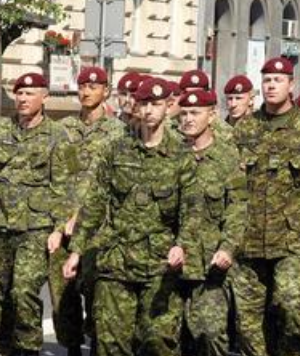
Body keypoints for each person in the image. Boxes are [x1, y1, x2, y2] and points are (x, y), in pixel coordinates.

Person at [63, 77, 199, 356]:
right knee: (111, 344)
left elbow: (192, 209)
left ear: (167, 106)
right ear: (136, 106)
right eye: (144, 104)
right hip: (116, 261)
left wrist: (182, 244)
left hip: (160, 266)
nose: (149, 110)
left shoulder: (181, 155)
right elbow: (95, 202)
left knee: (158, 342)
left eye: (156, 104)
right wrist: (77, 250)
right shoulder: (116, 150)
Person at [0, 72, 76, 356]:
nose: (22, 98)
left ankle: (29, 349)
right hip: (1, 226)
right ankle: (3, 350)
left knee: (23, 292)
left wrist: (59, 228)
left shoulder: (59, 136)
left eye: (30, 93)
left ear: (44, 97)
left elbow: (67, 186)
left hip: (37, 229)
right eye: (19, 93)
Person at [232, 57, 300, 356]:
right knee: (247, 322)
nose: (271, 86)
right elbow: (232, 186)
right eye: (266, 80)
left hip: (294, 239)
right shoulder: (245, 129)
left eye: (278, 80)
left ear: (291, 85)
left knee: (291, 305)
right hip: (248, 240)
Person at [52, 67, 125, 356]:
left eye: (94, 86)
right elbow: (57, 175)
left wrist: (80, 216)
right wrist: (60, 222)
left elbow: (109, 182)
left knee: (96, 292)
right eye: (82, 85)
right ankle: (72, 347)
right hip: (63, 221)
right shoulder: (65, 128)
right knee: (63, 292)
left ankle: (96, 343)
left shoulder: (117, 131)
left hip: (98, 226)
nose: (86, 91)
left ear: (106, 90)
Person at [176, 89, 247, 356]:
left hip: (210, 265)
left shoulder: (228, 157)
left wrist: (228, 248)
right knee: (166, 337)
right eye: (183, 113)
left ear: (212, 115)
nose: (188, 119)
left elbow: (238, 208)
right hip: (173, 262)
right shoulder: (172, 155)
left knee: (210, 333)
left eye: (195, 113)